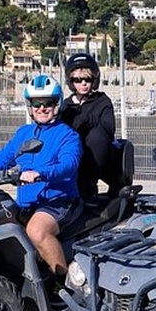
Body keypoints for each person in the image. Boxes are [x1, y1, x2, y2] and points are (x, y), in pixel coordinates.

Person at [0, 75, 82, 279]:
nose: (42, 108)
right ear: (30, 106)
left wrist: (41, 174)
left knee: (36, 231)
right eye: (36, 103)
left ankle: (64, 283)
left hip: (59, 201)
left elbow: (69, 165)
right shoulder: (24, 133)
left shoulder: (67, 136)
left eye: (48, 103)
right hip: (26, 203)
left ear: (56, 104)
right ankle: (16, 276)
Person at [59, 53, 116, 202]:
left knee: (96, 136)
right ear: (71, 82)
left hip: (98, 155)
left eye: (87, 79)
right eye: (77, 80)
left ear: (94, 80)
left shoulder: (102, 101)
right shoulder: (66, 105)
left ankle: (89, 185)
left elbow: (109, 128)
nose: (83, 83)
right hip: (73, 153)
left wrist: (87, 119)